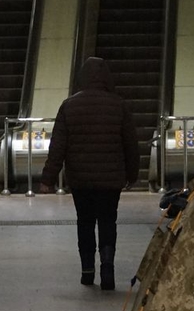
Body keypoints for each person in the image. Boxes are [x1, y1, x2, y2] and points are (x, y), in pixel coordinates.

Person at [39, 57, 139, 290]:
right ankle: (107, 269)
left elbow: (58, 146)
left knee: (84, 221)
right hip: (111, 179)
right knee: (107, 221)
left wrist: (48, 178)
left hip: (81, 178)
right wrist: (132, 174)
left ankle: (87, 271)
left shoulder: (69, 106)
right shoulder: (119, 105)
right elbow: (130, 144)